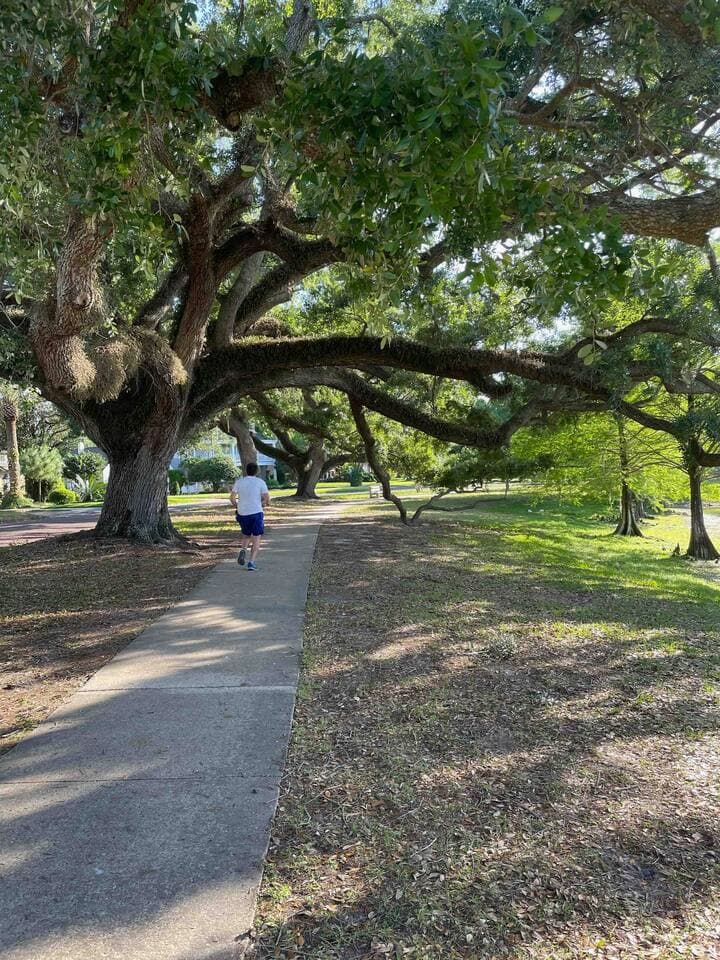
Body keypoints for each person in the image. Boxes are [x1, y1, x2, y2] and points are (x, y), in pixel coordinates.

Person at [229, 463, 270, 570]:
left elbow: (232, 498)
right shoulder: (260, 482)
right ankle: (251, 562)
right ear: (256, 471)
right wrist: (264, 504)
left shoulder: (239, 482)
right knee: (256, 538)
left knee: (246, 534)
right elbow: (267, 498)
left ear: (246, 470)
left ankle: (243, 550)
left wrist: (237, 506)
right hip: (256, 512)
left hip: (242, 513)